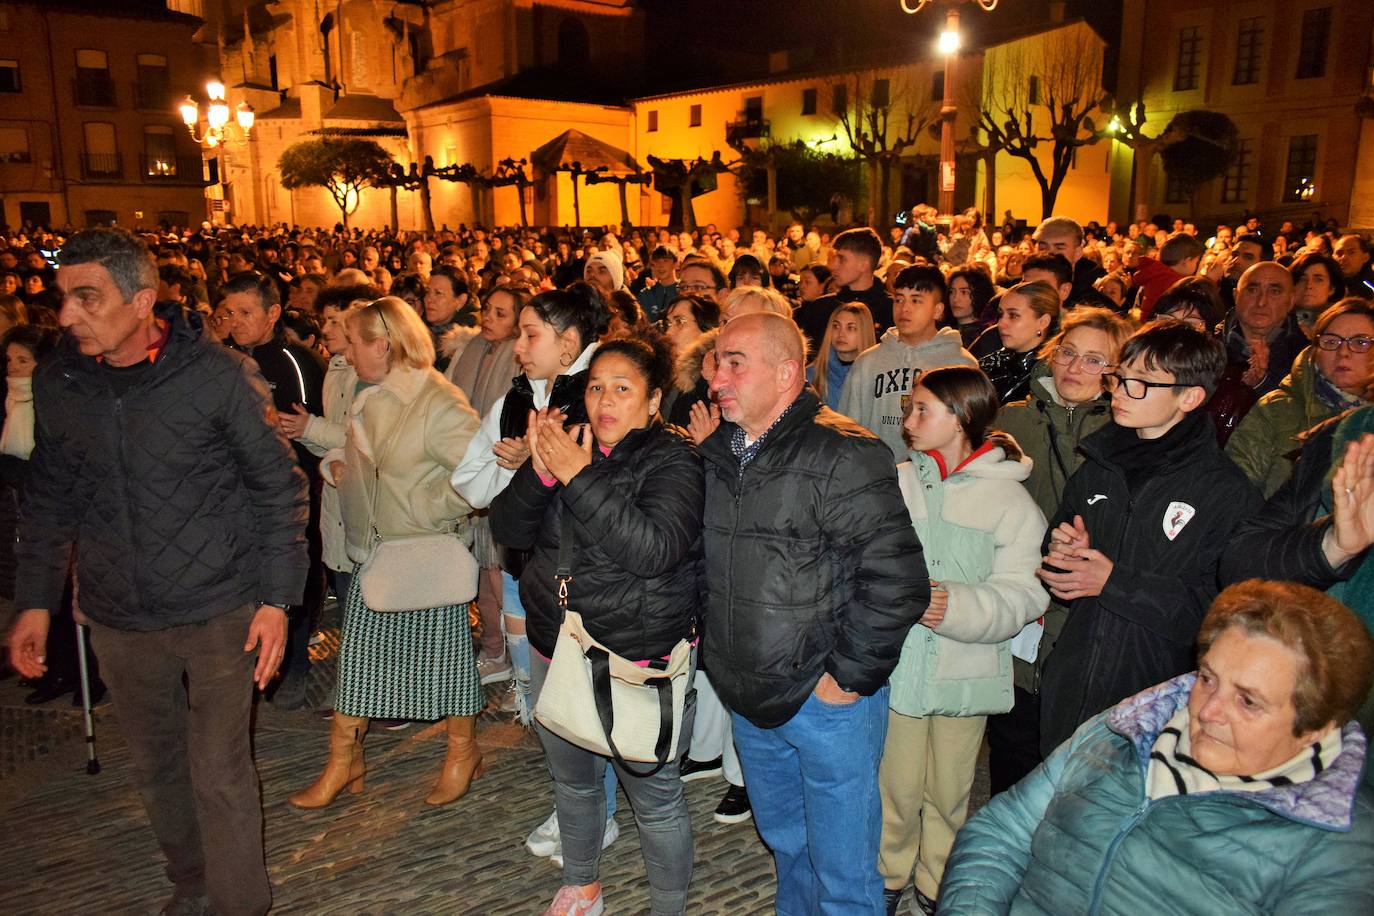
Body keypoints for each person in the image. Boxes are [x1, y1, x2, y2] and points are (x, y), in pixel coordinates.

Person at [5, 228, 309, 916]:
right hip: (118, 614)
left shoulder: (212, 375)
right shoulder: (61, 380)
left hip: (220, 608)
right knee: (155, 768)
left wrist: (275, 600)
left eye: (88, 297)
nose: (68, 314)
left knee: (219, 771)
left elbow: (277, 486)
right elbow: (49, 498)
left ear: (142, 301)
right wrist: (34, 602)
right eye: (64, 297)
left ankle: (239, 904)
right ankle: (192, 883)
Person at [940, 580, 1374, 914]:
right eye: (1207, 678)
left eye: (1248, 701)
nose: (1206, 711)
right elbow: (1001, 834)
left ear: (1317, 728)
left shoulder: (1336, 854)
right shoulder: (1124, 731)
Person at [698, 312, 930, 915]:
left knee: (844, 869)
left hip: (825, 699)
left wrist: (846, 679)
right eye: (716, 361)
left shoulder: (843, 453)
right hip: (749, 694)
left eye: (734, 363)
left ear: (786, 373)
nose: (717, 376)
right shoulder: (720, 454)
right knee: (788, 846)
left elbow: (898, 581)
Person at [490, 335, 702, 916]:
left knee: (654, 799)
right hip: (554, 642)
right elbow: (508, 528)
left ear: (654, 400)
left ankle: (669, 905)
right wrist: (542, 471)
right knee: (574, 782)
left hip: (632, 654)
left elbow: (654, 550)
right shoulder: (569, 447)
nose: (605, 401)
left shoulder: (674, 459)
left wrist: (580, 475)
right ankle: (582, 884)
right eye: (596, 387)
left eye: (623, 388)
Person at [451, 284, 624, 865]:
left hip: (585, 573)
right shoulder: (517, 398)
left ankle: (594, 812)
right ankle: (576, 799)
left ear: (569, 341)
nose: (519, 347)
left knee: (584, 698)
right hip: (530, 570)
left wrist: (539, 463)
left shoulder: (600, 394)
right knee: (546, 696)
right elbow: (470, 479)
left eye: (531, 334)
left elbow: (617, 482)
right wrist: (523, 470)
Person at [1035, 320, 1263, 755]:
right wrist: (1063, 557)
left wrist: (1113, 582)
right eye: (1120, 377)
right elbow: (1057, 566)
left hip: (1159, 706)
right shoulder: (1099, 466)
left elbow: (1224, 617)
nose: (1119, 391)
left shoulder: (1225, 493)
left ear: (1190, 397)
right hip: (1072, 685)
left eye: (1140, 383)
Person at [291, 296, 483, 810]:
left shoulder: (436, 401)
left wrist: (430, 508)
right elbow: (365, 453)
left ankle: (462, 752)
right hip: (375, 552)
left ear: (384, 344)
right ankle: (344, 758)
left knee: (446, 665)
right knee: (356, 663)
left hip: (421, 554)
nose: (346, 352)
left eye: (353, 342)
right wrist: (337, 461)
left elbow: (482, 474)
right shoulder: (371, 394)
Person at [879, 366, 1048, 916]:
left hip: (966, 669)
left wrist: (956, 606)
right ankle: (888, 873)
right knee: (894, 786)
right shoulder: (898, 484)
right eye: (910, 408)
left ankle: (937, 880)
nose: (909, 421)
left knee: (950, 792)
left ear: (962, 417)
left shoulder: (1011, 503)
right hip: (900, 667)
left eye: (923, 409)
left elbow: (1025, 593)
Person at [988, 307, 1133, 793]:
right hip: (1019, 595)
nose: (1074, 367)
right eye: (1069, 353)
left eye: (1095, 361)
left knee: (1071, 737)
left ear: (1117, 374)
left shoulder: (1126, 433)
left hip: (1085, 605)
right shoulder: (1012, 419)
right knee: (1012, 730)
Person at [220, 271, 328, 710]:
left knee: (291, 583)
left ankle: (294, 667)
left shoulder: (294, 361)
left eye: (246, 312)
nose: (236, 321)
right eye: (229, 312)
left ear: (272, 314)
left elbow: (307, 424)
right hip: (231, 497)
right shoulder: (217, 360)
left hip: (286, 496)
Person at [1226, 300, 1374, 497]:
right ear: (1315, 351)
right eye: (1331, 342)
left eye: (1360, 342)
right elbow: (1233, 492)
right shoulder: (1276, 409)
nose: (1343, 352)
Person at [838, 265, 978, 461]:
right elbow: (847, 427)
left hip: (940, 480)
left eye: (916, 300)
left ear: (937, 310)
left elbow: (971, 437)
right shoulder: (868, 362)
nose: (905, 308)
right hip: (877, 478)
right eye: (899, 299)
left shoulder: (961, 365)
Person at [804, 227, 895, 343]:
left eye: (842, 259)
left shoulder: (891, 310)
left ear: (863, 264)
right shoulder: (820, 308)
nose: (833, 266)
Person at [978, 280, 1060, 405]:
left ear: (1043, 322)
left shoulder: (1050, 375)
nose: (1001, 323)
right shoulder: (996, 360)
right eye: (1000, 314)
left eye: (1014, 315)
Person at [1031, 216, 1113, 310]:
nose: (1050, 254)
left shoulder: (1095, 307)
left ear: (1078, 252)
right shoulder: (1020, 293)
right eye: (1043, 248)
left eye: (1059, 248)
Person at [807, 302, 876, 411]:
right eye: (836, 326)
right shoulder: (812, 374)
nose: (841, 334)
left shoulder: (877, 376)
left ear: (864, 332)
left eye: (851, 328)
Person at [1134, 232, 1205, 319]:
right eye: (1196, 261)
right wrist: (1209, 280)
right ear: (1187, 261)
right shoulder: (1174, 283)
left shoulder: (1158, 274)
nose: (1196, 266)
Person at [1290, 250, 1347, 335]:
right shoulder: (1276, 320)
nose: (1309, 285)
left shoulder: (1344, 325)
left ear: (1332, 289)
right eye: (1302, 279)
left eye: (1318, 280)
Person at [946, 266, 995, 348]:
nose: (955, 299)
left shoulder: (987, 336)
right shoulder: (943, 330)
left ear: (979, 294)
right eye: (951, 292)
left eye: (964, 292)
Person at [636, 246, 679, 321]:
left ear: (675, 264)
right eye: (657, 261)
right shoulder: (646, 294)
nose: (661, 265)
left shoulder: (684, 291)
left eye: (666, 260)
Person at [1334, 234, 1374, 300]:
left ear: (1366, 257)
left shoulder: (1371, 287)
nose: (1344, 258)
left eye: (1351, 252)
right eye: (1339, 253)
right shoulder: (1327, 284)